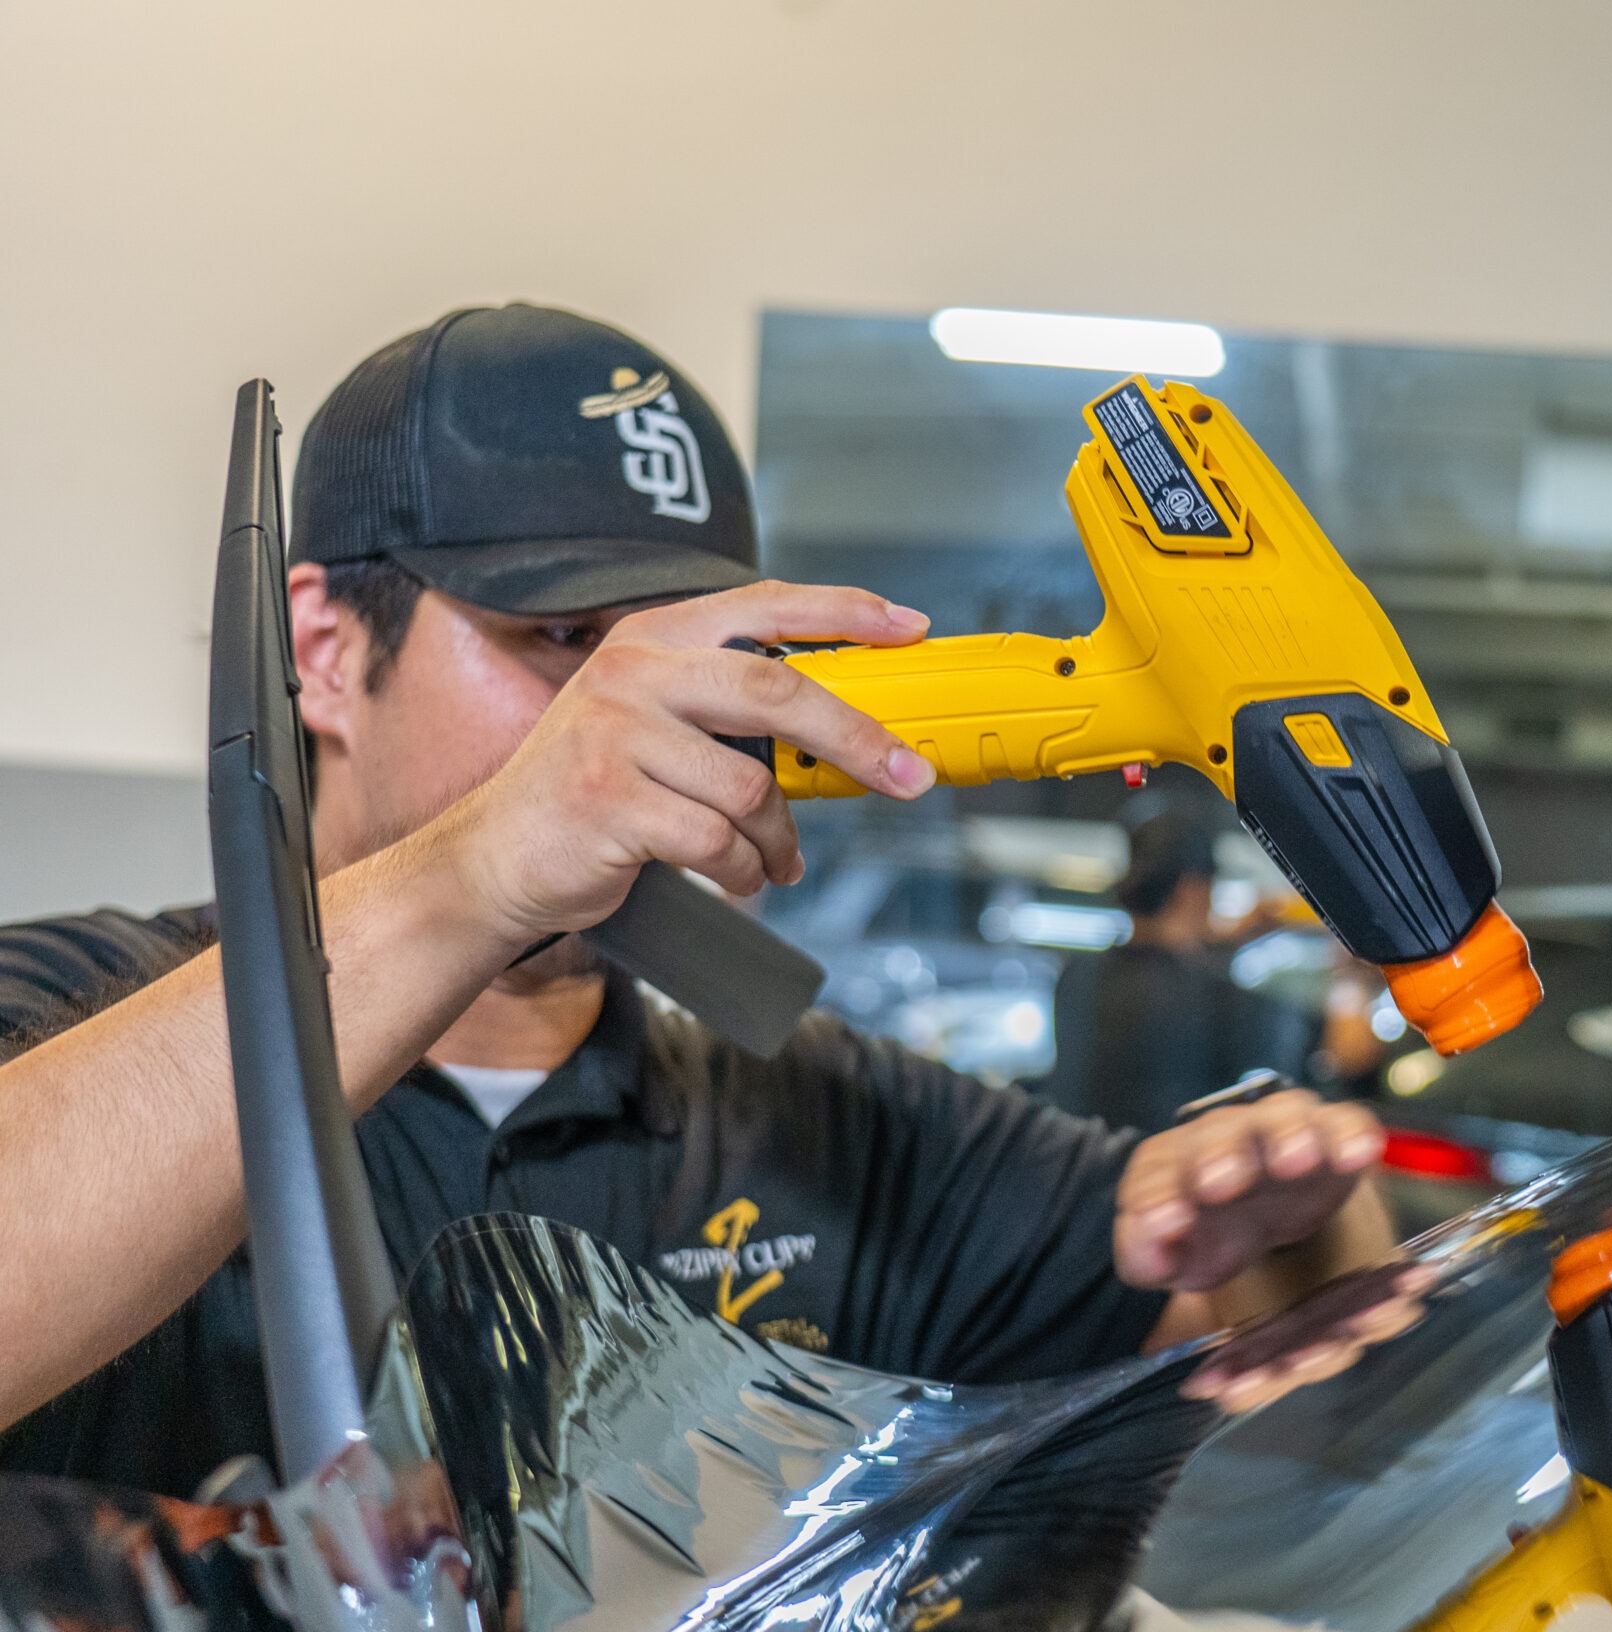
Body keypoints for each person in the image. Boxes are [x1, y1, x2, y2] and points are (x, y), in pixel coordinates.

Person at [0, 304, 1394, 1499]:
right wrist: (475, 878)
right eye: (559, 637)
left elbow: (1265, 1362)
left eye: (682, 653)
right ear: (321, 647)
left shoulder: (832, 1126)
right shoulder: (75, 1017)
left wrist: (1295, 1235)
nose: (636, 708)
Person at [1047, 811, 1316, 1136]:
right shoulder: (1216, 1000)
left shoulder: (1077, 976)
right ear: (1189, 889)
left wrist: (1225, 942)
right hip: (1169, 1166)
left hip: (1084, 1163)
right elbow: (1340, 1049)